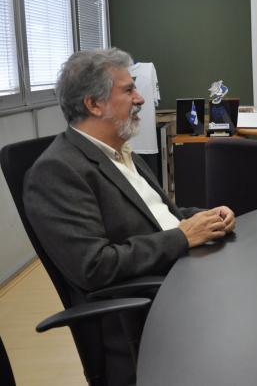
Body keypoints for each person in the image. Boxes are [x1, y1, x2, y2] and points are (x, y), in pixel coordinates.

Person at [24, 47, 236, 384]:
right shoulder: (57, 171)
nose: (140, 98)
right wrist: (183, 236)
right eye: (128, 89)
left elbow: (162, 215)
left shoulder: (121, 151)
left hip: (182, 277)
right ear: (94, 104)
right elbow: (94, 266)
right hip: (149, 308)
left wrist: (205, 216)